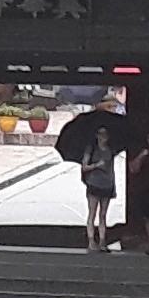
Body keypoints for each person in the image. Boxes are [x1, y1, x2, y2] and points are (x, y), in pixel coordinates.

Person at [54, 96, 127, 250]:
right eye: (101, 134)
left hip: (107, 184)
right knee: (92, 213)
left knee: (103, 215)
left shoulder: (111, 149)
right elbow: (84, 167)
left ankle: (102, 241)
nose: (104, 137)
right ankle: (91, 241)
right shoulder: (90, 149)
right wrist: (96, 165)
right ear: (97, 135)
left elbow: (110, 165)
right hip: (94, 183)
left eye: (105, 134)